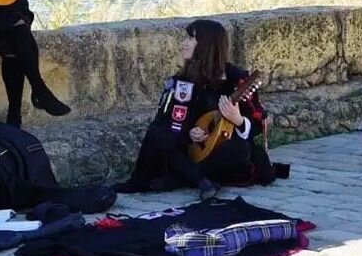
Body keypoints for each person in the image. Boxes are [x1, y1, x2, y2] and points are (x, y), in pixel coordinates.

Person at [113, 19, 279, 200]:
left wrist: (238, 119)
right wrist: (189, 133)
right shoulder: (183, 80)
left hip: (220, 153)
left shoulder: (237, 80)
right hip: (190, 150)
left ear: (206, 45)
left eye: (191, 39)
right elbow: (169, 120)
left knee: (240, 149)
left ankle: (181, 179)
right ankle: (198, 181)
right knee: (157, 132)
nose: (184, 43)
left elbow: (257, 122)